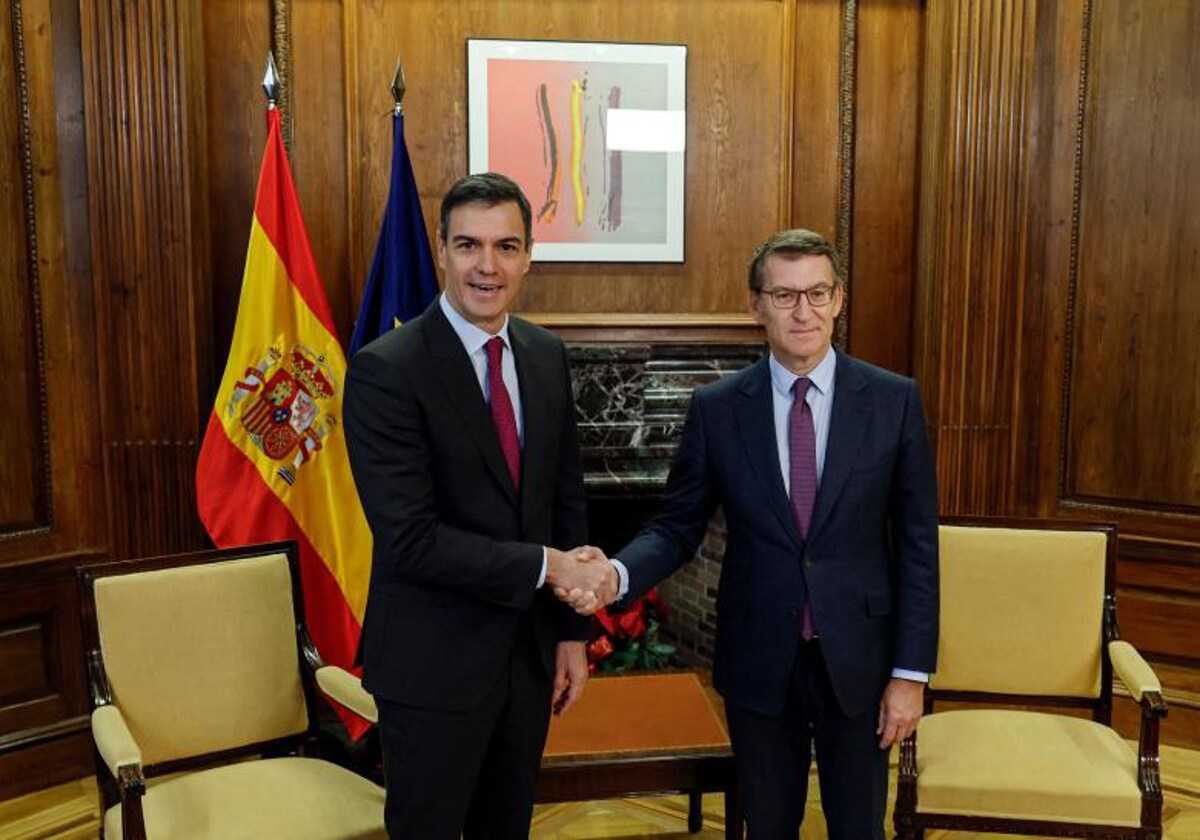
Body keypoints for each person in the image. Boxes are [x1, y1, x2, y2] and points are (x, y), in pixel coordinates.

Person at [562, 229, 939, 839]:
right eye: (784, 295)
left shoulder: (893, 401)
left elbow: (920, 546)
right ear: (755, 305)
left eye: (817, 293)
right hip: (760, 659)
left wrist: (910, 674)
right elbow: (678, 527)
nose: (803, 311)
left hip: (863, 662)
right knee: (766, 825)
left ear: (839, 299)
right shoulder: (717, 408)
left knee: (859, 828)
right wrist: (616, 574)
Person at [344, 172, 614, 840]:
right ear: (440, 250)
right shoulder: (388, 371)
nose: (486, 266)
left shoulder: (545, 354)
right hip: (432, 667)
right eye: (468, 245)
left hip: (526, 660)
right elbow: (409, 539)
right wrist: (550, 567)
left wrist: (574, 633)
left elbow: (565, 496)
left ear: (528, 257)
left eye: (505, 247)